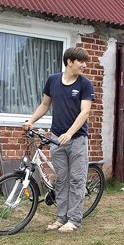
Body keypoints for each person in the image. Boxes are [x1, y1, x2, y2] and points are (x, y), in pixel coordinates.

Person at [23, 47, 95, 233]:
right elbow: (45, 105)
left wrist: (70, 133)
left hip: (77, 139)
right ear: (70, 61)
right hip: (57, 138)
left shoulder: (85, 84)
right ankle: (61, 218)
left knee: (77, 180)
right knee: (62, 180)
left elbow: (85, 112)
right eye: (81, 62)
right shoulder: (53, 80)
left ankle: (74, 220)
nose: (85, 66)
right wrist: (31, 121)